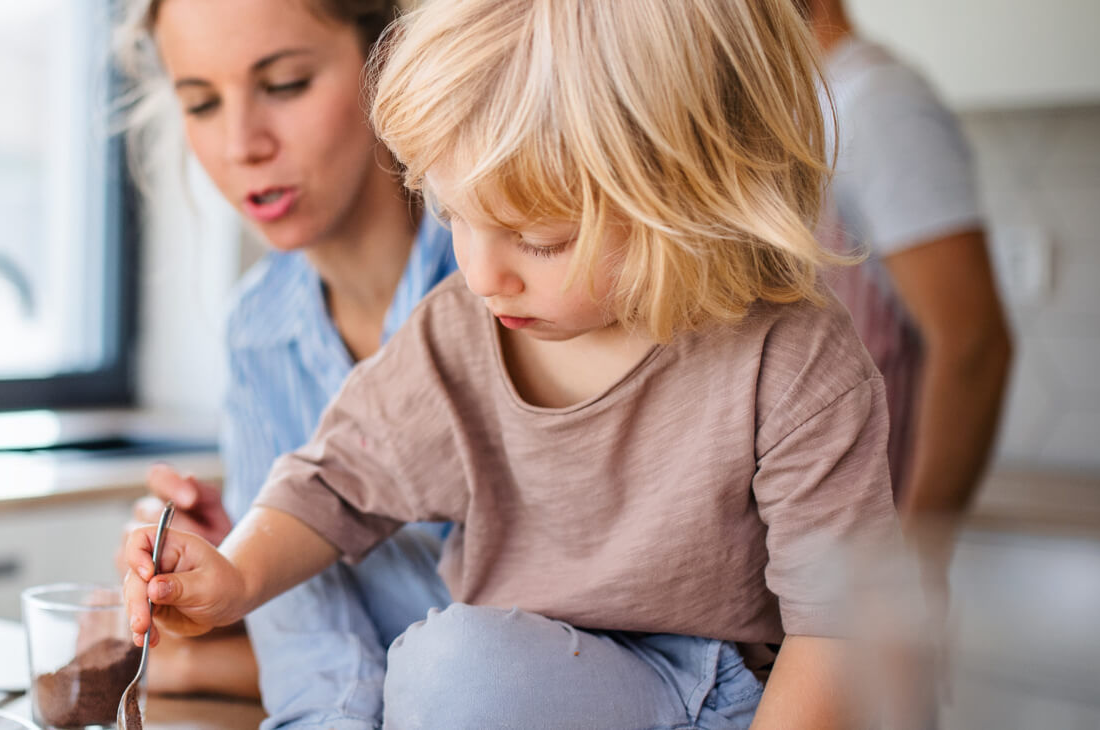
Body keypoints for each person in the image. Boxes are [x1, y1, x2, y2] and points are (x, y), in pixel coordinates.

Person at [121, 0, 909, 726]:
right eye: (455, 215)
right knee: (452, 665)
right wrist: (236, 575)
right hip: (528, 689)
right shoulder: (459, 331)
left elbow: (836, 630)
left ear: (690, 193)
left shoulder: (793, 363)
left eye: (540, 238)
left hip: (720, 696)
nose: (483, 272)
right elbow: (329, 484)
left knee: (455, 668)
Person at [115, 0, 457, 725]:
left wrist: (209, 659)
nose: (243, 144)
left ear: (390, 61)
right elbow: (316, 652)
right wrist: (241, 556)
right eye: (202, 103)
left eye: (287, 84)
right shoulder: (257, 330)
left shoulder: (511, 281)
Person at [802, 0, 1013, 568]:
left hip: (873, 540)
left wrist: (919, 554)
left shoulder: (880, 105)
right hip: (822, 530)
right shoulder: (819, 107)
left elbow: (972, 345)